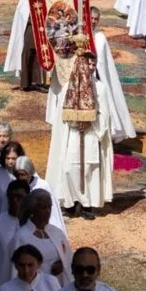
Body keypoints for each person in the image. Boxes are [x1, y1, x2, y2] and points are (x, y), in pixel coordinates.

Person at [45, 52, 114, 220]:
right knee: (70, 169)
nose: (91, 68)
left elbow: (105, 114)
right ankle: (70, 202)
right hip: (73, 135)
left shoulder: (100, 88)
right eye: (88, 64)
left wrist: (93, 121)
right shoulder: (68, 87)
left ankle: (86, 205)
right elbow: (61, 114)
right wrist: (74, 120)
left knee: (89, 170)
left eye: (94, 65)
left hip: (90, 134)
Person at [91, 6, 136, 142]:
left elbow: (104, 63)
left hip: (98, 78)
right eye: (91, 18)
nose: (93, 21)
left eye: (96, 19)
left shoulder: (100, 38)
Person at [10, 190, 73, 287]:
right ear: (33, 209)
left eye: (49, 207)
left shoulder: (57, 233)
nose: (48, 211)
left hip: (60, 287)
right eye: (43, 208)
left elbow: (68, 259)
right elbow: (15, 271)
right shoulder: (21, 237)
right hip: (36, 289)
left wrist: (62, 263)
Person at [13, 156, 66, 232]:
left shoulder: (42, 186)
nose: (20, 178)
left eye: (23, 174)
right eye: (18, 175)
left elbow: (52, 212)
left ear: (30, 173)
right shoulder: (15, 187)